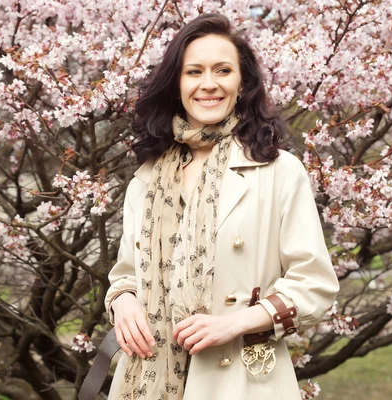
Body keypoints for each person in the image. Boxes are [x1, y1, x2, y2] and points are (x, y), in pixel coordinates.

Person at [104, 13, 339, 400]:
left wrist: (235, 323)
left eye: (223, 70)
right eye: (194, 71)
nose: (208, 84)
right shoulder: (147, 177)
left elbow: (314, 284)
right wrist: (125, 301)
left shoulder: (278, 171)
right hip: (146, 377)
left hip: (240, 378)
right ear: (176, 84)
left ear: (242, 82)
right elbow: (127, 273)